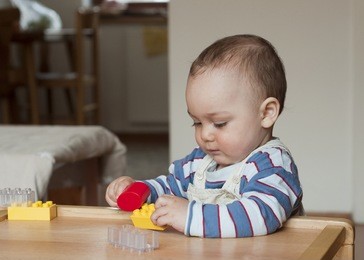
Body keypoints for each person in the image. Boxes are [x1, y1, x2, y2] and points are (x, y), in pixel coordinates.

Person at [106, 34, 304, 238]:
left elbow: (262, 215)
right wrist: (140, 190)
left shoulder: (273, 166)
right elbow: (170, 188)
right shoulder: (200, 162)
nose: (205, 134)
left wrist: (190, 216)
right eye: (197, 122)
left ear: (266, 113)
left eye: (219, 123)